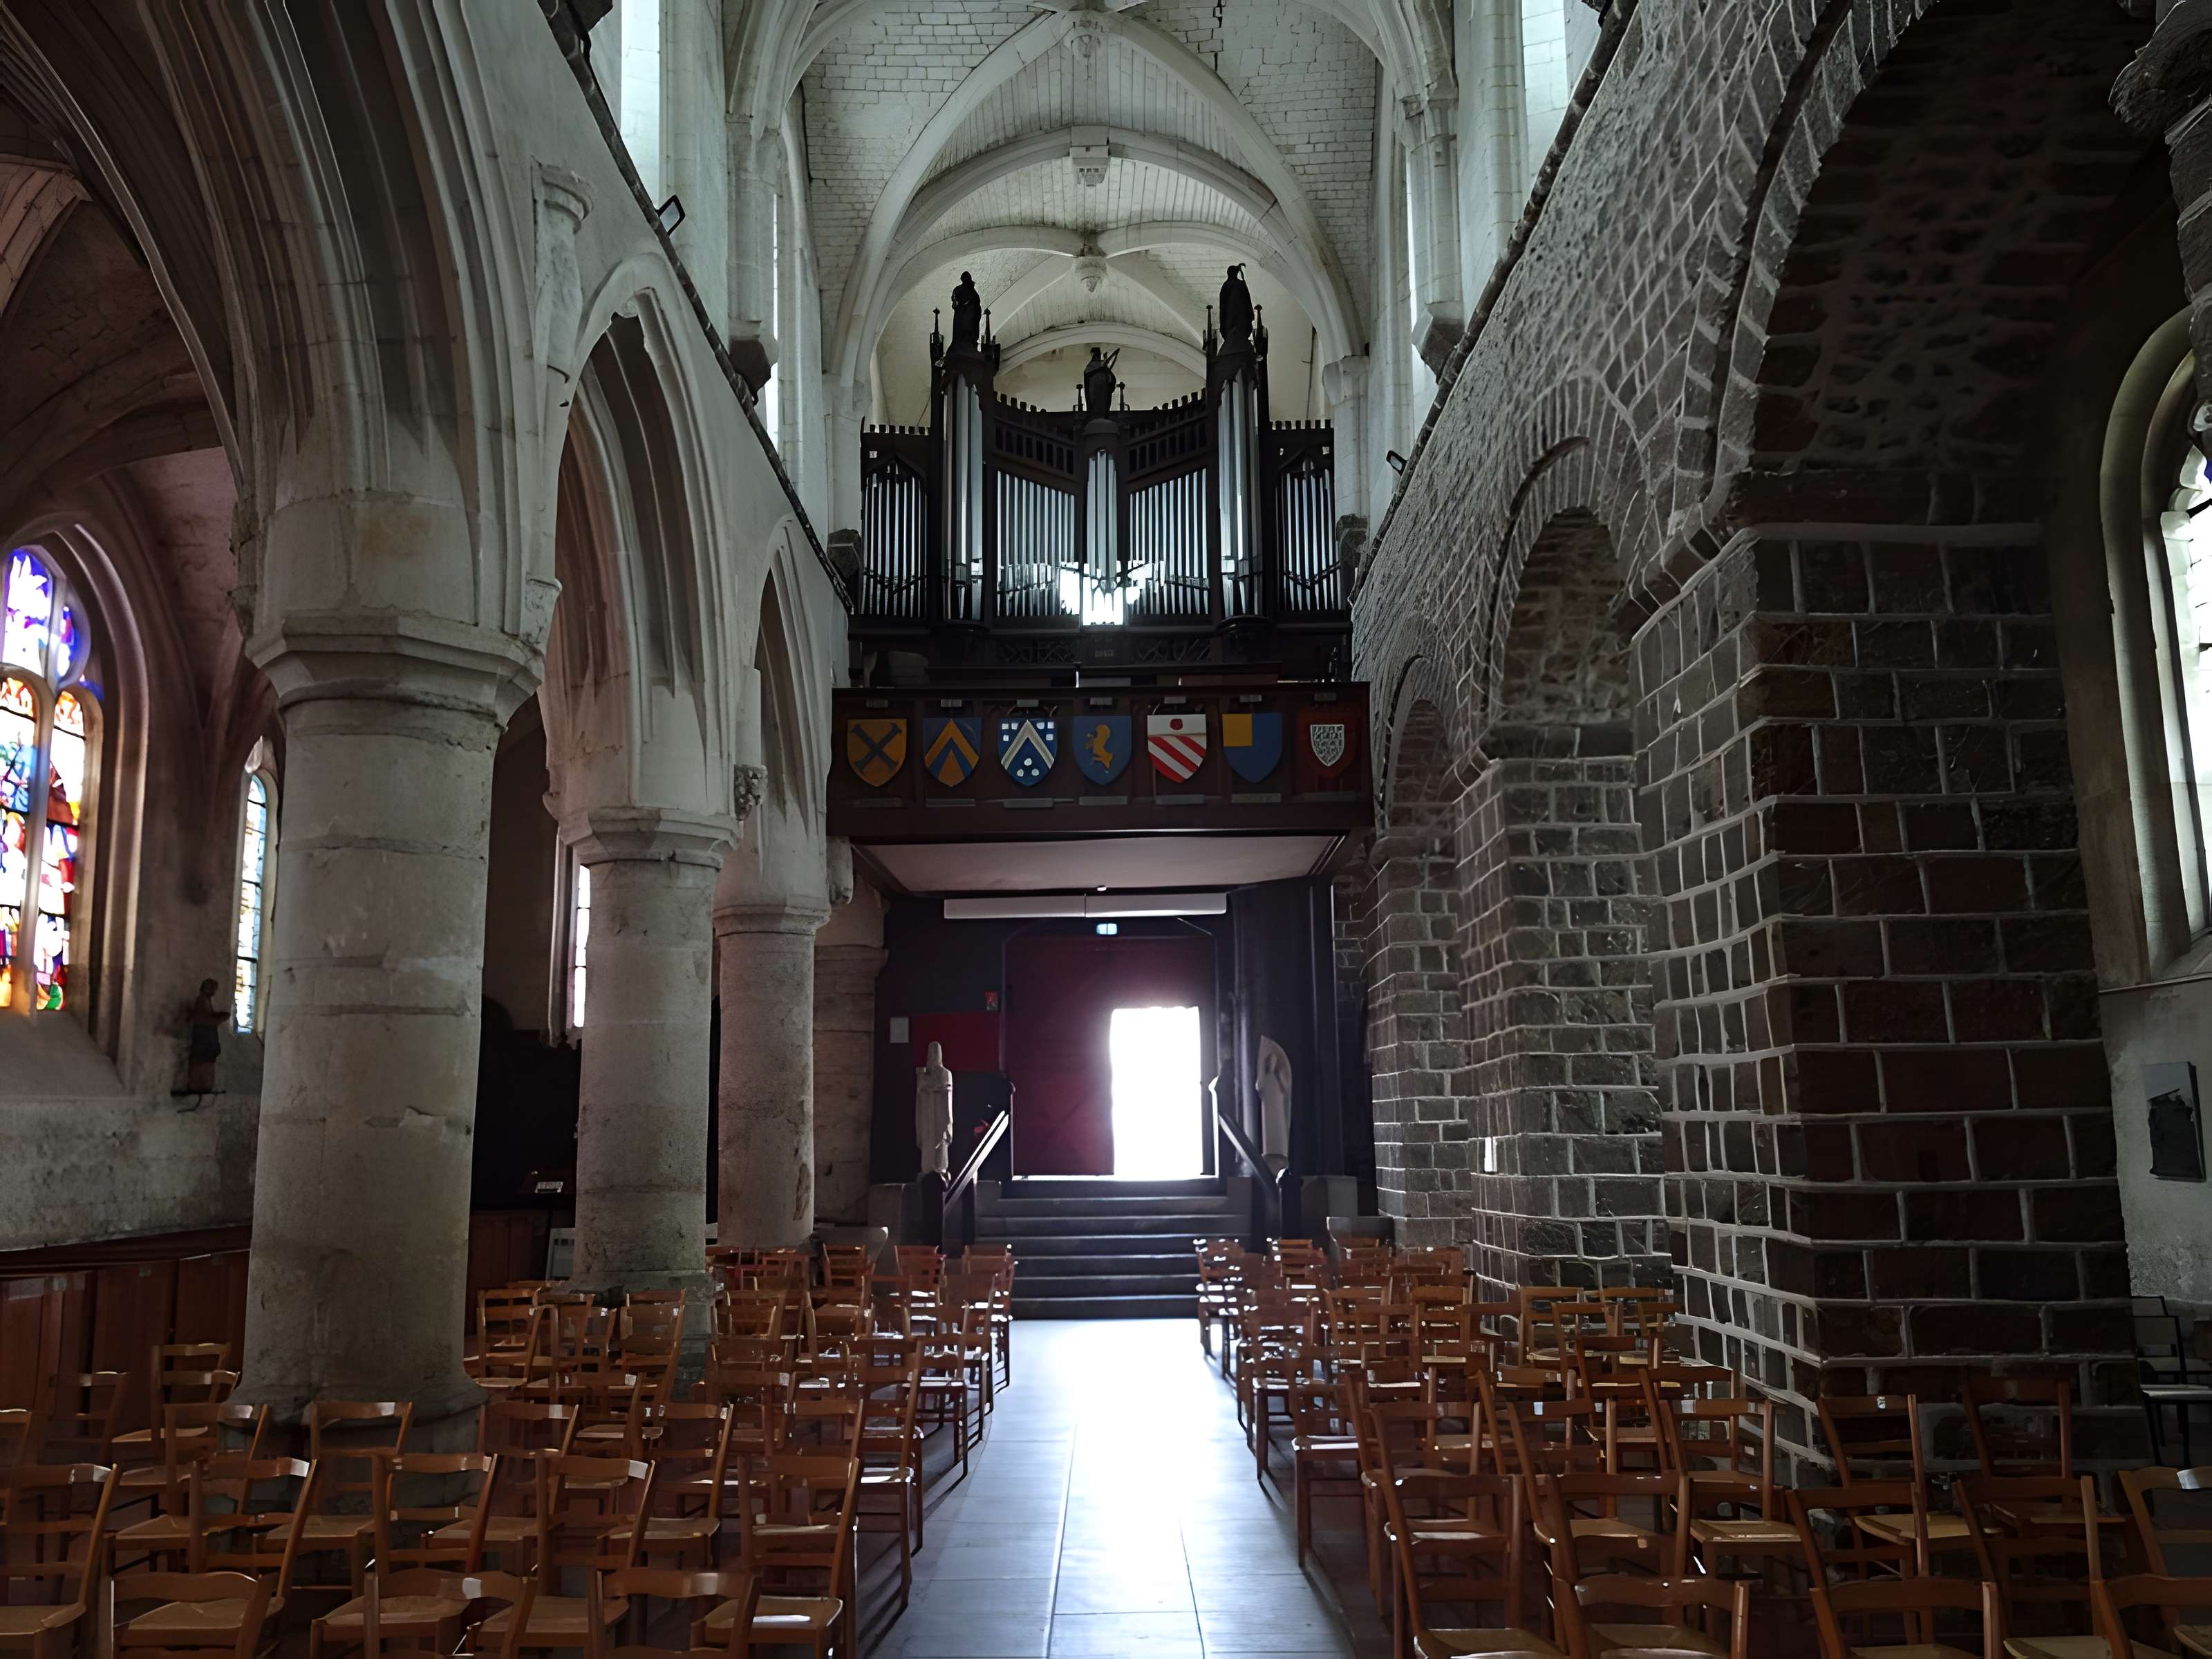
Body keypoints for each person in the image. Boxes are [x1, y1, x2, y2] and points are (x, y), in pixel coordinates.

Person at [180, 977, 226, 1094]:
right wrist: (218, 1018)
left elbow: (208, 1016)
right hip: (203, 1038)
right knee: (201, 1060)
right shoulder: (201, 1001)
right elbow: (202, 1018)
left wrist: (218, 1017)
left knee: (207, 1060)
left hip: (208, 1038)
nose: (213, 992)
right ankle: (198, 1085)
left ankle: (204, 1085)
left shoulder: (206, 1001)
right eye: (212, 989)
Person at [1219, 263, 1254, 347]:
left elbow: (1222, 306)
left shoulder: (1225, 286)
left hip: (1229, 320)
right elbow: (1247, 300)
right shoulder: (1240, 284)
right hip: (1241, 317)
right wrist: (1250, 315)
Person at [950, 271, 982, 354]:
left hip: (972, 315)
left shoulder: (973, 291)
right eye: (965, 278)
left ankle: (971, 348)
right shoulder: (958, 289)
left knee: (972, 331)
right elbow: (954, 303)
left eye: (968, 278)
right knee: (963, 330)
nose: (967, 280)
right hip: (962, 314)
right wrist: (961, 307)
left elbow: (977, 305)